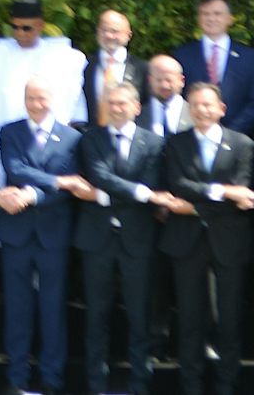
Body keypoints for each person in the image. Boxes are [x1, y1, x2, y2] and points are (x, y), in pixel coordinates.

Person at [158, 81, 254, 395]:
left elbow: (246, 195)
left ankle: (226, 385)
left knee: (229, 319)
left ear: (221, 109)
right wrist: (223, 192)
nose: (202, 110)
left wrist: (194, 209)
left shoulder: (242, 144)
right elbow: (179, 185)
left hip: (229, 242)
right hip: (186, 243)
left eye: (208, 105)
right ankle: (191, 386)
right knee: (190, 319)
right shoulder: (175, 143)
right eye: (196, 105)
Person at [0, 76, 89, 395]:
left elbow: (72, 189)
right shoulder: (10, 131)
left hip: (54, 234)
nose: (37, 104)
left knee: (53, 308)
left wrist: (34, 195)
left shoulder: (73, 138)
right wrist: (59, 182)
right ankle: (16, 378)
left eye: (42, 98)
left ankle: (52, 379)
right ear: (24, 100)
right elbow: (15, 168)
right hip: (17, 232)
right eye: (31, 98)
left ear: (54, 100)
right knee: (16, 308)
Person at [75, 81, 167, 395]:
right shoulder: (90, 138)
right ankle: (96, 384)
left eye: (122, 103)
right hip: (97, 239)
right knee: (96, 315)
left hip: (137, 239)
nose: (116, 108)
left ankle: (140, 383)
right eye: (111, 103)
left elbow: (152, 185)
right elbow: (98, 174)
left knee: (140, 315)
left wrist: (109, 195)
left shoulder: (154, 143)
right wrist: (137, 191)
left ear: (136, 107)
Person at [0, 0, 87, 126]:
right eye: (15, 27)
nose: (20, 33)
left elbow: (75, 105)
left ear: (40, 25)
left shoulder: (63, 57)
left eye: (26, 28)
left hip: (52, 139)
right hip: (6, 137)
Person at [171, 0, 254, 133]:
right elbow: (177, 97)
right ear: (199, 19)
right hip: (192, 135)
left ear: (229, 19)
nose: (211, 19)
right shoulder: (182, 55)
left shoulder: (249, 57)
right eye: (205, 14)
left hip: (236, 140)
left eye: (217, 14)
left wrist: (230, 133)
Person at [83, 9, 147, 125]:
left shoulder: (142, 68)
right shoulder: (85, 65)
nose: (108, 35)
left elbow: (147, 106)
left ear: (128, 35)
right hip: (93, 137)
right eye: (104, 30)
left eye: (114, 31)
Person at [145, 53, 188, 136]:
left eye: (169, 80)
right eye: (159, 80)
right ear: (149, 80)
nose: (164, 85)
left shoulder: (194, 113)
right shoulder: (137, 114)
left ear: (181, 81)